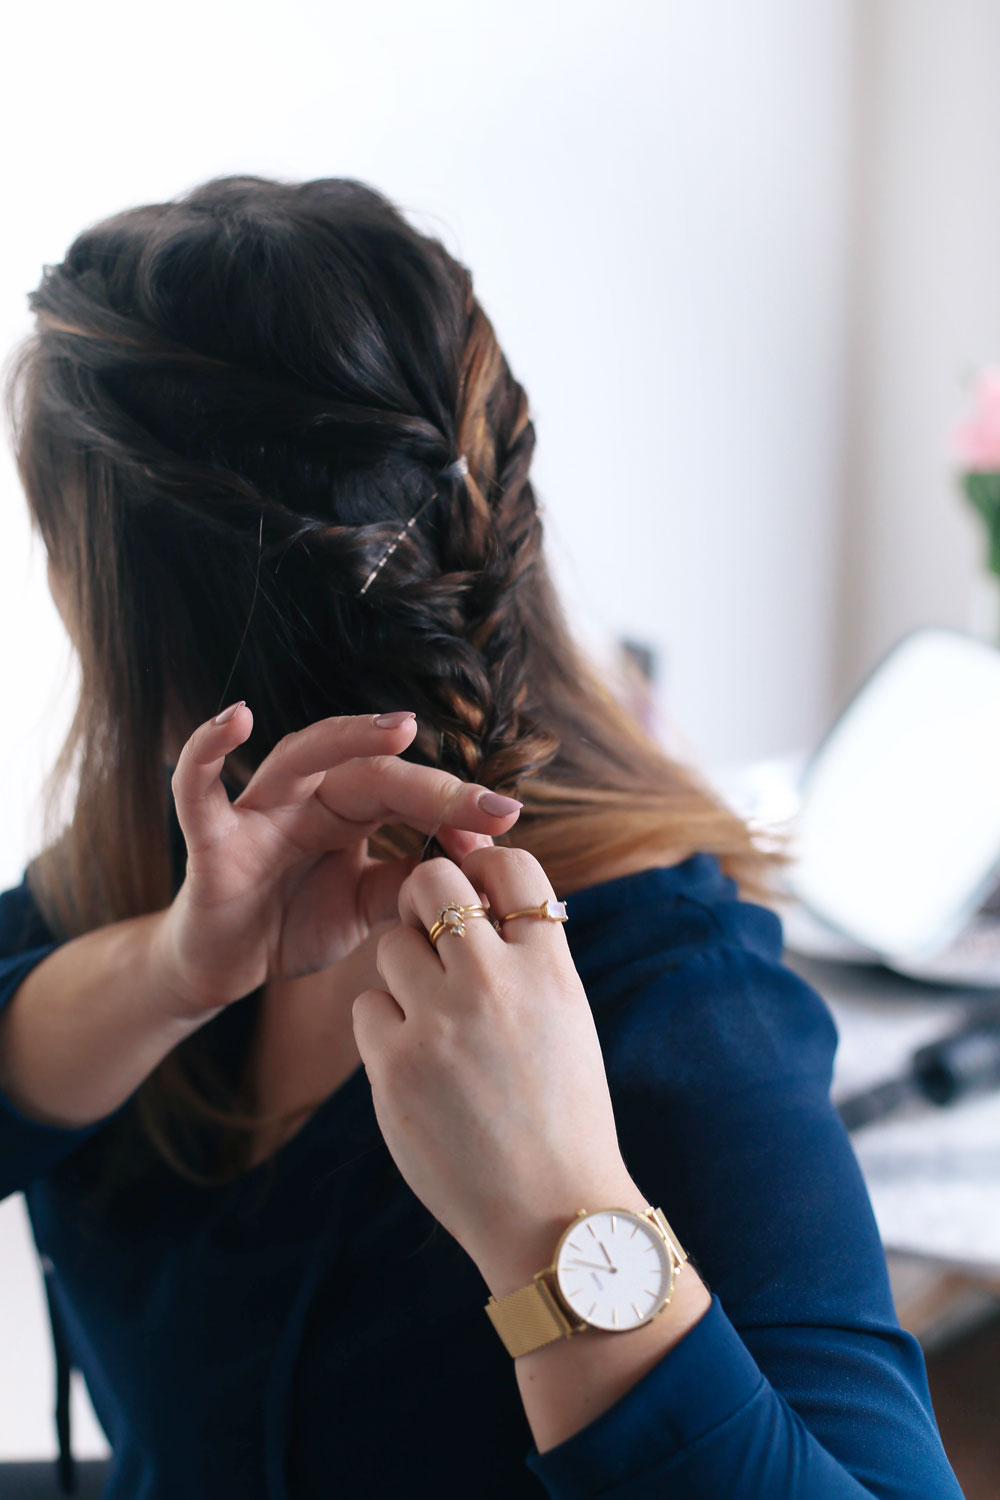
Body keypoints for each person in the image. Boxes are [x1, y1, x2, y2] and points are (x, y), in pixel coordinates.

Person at [0, 176, 961, 1500]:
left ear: (124, 605)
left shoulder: (671, 1000)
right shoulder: (158, 866)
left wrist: (556, 1216)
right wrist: (166, 975)